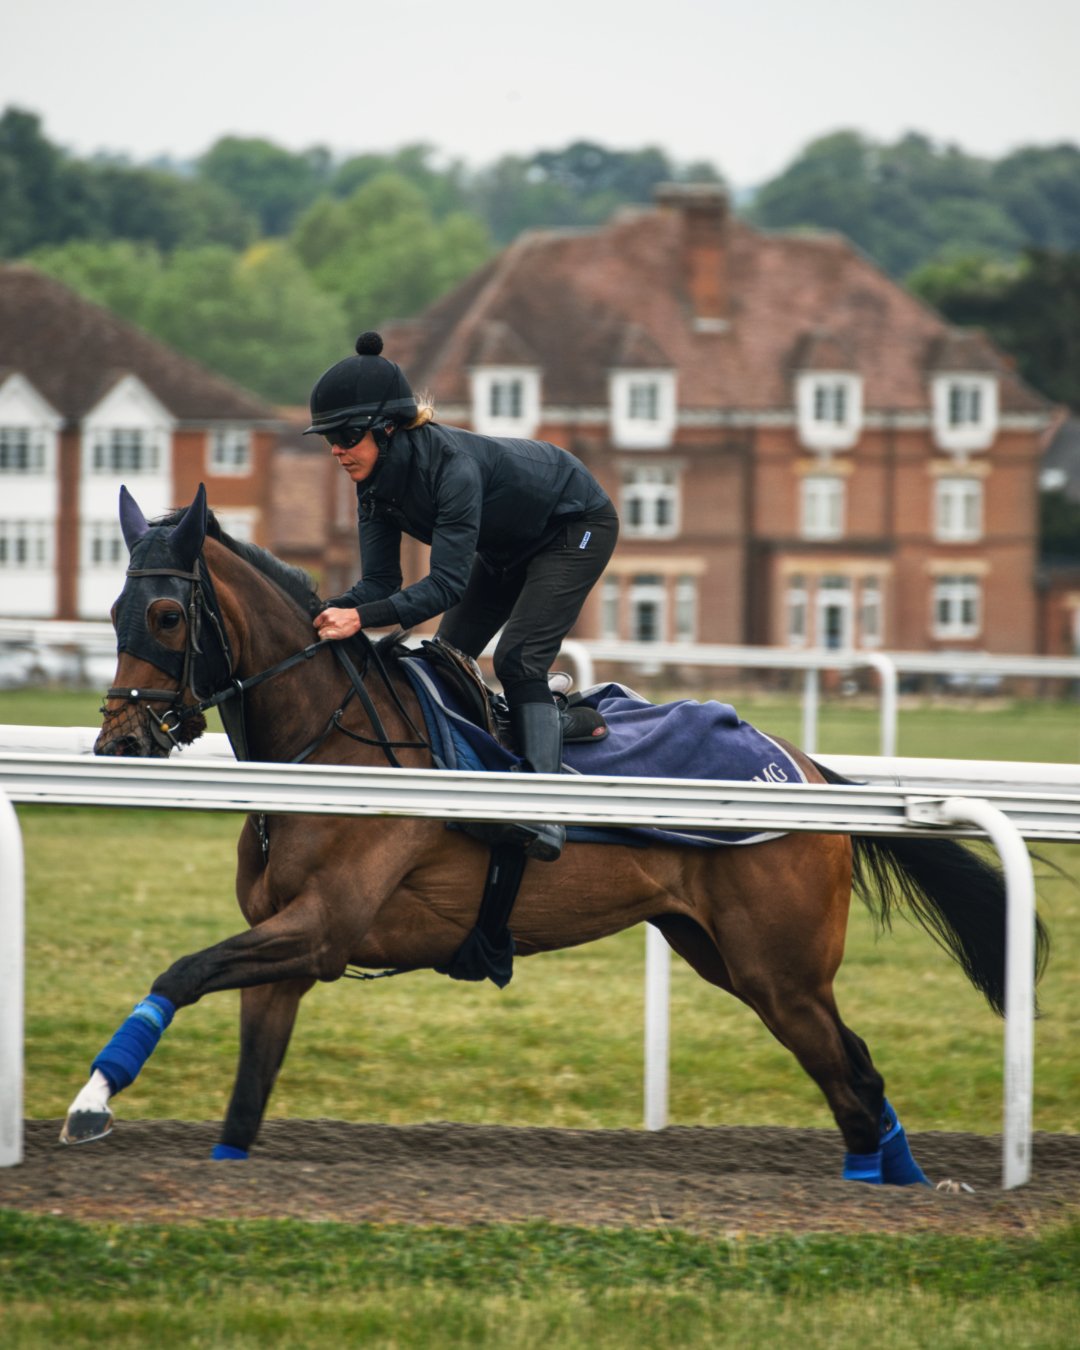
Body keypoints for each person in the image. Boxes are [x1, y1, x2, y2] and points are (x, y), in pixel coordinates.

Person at [305, 332, 619, 862]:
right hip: (505, 546)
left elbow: (445, 586)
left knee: (518, 658)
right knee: (447, 661)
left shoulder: (452, 468)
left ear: (387, 429)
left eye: (347, 435)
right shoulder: (372, 485)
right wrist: (318, 611)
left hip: (575, 525)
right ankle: (551, 722)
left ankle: (547, 812)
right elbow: (379, 584)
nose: (337, 449)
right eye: (329, 437)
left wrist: (360, 618)